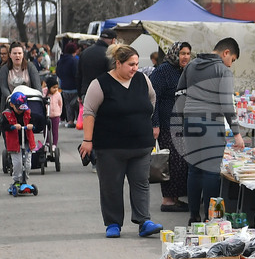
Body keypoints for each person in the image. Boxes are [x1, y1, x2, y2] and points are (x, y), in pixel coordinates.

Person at [78, 44, 163, 239]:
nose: (135, 68)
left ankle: (144, 221)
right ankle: (113, 223)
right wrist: (87, 140)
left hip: (141, 145)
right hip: (109, 147)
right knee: (111, 186)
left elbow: (152, 100)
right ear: (118, 63)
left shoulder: (143, 80)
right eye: (131, 64)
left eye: (136, 64)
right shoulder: (100, 84)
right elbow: (89, 113)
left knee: (141, 183)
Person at [175, 38, 245, 223]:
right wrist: (237, 133)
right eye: (233, 59)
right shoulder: (222, 70)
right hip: (211, 123)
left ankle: (193, 216)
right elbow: (226, 104)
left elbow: (179, 92)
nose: (231, 64)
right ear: (226, 53)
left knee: (194, 169)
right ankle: (210, 218)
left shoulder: (191, 65)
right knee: (211, 171)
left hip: (190, 120)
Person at [150, 42, 192, 212]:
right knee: (170, 163)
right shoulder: (162, 71)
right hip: (166, 125)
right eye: (182, 53)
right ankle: (167, 200)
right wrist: (155, 124)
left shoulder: (183, 71)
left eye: (188, 53)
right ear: (175, 53)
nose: (186, 57)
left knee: (179, 163)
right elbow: (153, 99)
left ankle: (174, 198)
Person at [0, 92, 36, 195]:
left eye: (22, 109)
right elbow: (2, 125)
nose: (21, 111)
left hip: (27, 142)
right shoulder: (7, 114)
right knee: (18, 163)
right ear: (12, 105)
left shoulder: (28, 112)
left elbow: (36, 122)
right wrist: (12, 127)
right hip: (15, 144)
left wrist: (32, 125)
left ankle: (25, 180)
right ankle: (17, 181)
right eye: (18, 108)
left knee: (27, 164)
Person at [0, 41, 42, 116]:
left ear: (23, 55)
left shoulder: (30, 67)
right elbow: (3, 87)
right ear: (10, 55)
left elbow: (37, 86)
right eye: (14, 53)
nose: (17, 56)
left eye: (19, 53)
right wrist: (12, 100)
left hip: (29, 103)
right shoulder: (4, 69)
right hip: (11, 103)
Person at [77, 29, 116, 102]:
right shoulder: (109, 54)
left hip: (86, 92)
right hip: (104, 93)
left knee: (89, 113)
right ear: (113, 40)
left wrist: (79, 94)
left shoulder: (85, 52)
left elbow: (79, 75)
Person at [56, 42, 80, 128]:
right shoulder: (75, 60)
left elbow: (58, 72)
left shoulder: (60, 61)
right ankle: (78, 120)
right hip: (74, 87)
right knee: (76, 104)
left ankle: (70, 120)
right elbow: (77, 74)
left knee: (68, 105)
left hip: (64, 86)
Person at [44, 76, 63, 149]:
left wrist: (59, 112)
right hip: (47, 115)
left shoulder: (58, 94)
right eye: (54, 87)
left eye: (57, 87)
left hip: (55, 115)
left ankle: (54, 144)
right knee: (46, 130)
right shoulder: (44, 93)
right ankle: (47, 142)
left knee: (55, 130)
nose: (56, 89)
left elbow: (60, 104)